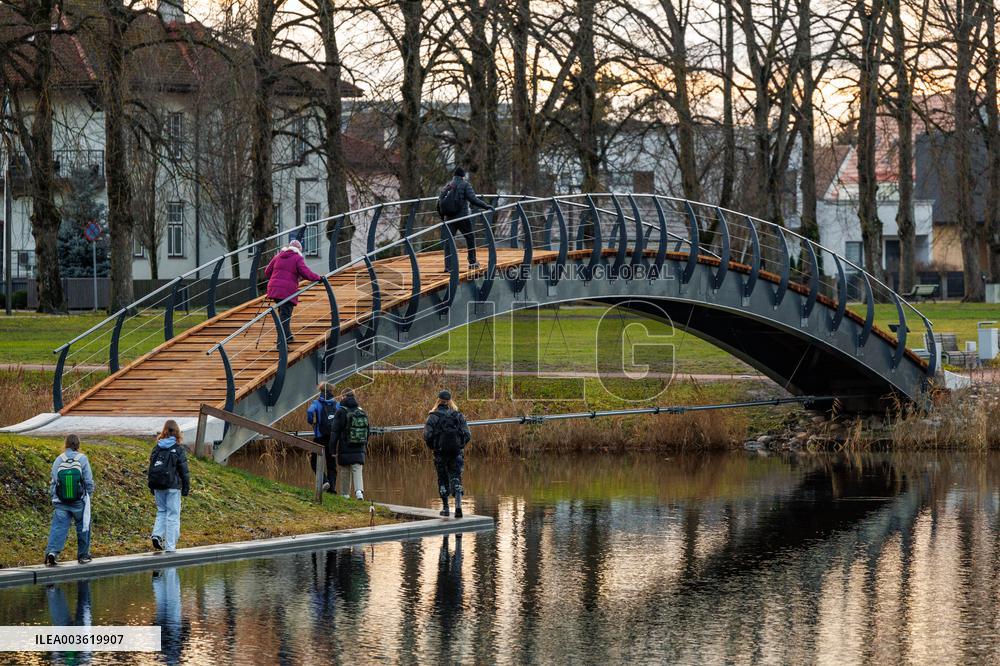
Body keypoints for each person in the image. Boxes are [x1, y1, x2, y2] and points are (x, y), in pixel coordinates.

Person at [45, 434, 95, 566]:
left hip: (61, 502)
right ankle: (83, 555)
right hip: (78, 501)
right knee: (83, 526)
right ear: (78, 445)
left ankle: (52, 553)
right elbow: (88, 481)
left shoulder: (59, 459)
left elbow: (54, 481)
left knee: (59, 527)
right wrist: (87, 496)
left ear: (65, 444)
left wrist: (54, 497)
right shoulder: (82, 459)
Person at [264, 238, 323, 344]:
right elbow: (305, 272)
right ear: (299, 249)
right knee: (285, 316)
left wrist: (276, 281)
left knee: (283, 313)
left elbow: (267, 271)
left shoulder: (278, 256)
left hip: (274, 289)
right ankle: (281, 341)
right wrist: (318, 278)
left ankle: (288, 336)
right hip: (287, 292)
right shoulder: (297, 258)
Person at [423, 390, 471, 518]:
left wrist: (434, 447)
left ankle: (445, 508)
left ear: (438, 401)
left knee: (442, 478)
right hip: (456, 453)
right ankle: (458, 506)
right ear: (450, 401)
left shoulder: (433, 416)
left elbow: (427, 436)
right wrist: (460, 446)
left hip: (440, 453)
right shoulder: (458, 415)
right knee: (456, 477)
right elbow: (467, 434)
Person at [148, 420, 191, 553]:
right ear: (177, 432)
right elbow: (184, 471)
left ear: (164, 431)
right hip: (172, 486)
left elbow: (151, 468)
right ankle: (170, 546)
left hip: (157, 485)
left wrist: (151, 486)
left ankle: (157, 534)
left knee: (161, 511)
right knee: (173, 514)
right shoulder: (178, 449)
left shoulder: (157, 448)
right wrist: (185, 487)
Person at [437, 167, 493, 270]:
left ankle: (448, 266)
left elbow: (439, 201)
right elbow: (473, 199)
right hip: (462, 217)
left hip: (449, 219)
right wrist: (485, 206)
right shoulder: (465, 185)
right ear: (463, 176)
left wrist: (443, 217)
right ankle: (472, 262)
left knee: (448, 241)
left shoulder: (448, 186)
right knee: (470, 238)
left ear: (454, 176)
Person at [329, 388, 369, 500]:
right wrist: (364, 445)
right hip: (360, 446)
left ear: (343, 397)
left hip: (345, 446)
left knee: (345, 468)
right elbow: (367, 430)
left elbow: (335, 432)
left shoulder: (341, 411)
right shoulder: (361, 410)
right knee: (357, 468)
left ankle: (345, 495)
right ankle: (359, 492)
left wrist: (332, 449)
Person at [307, 382, 339, 493]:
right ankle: (332, 489)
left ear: (320, 391)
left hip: (320, 437)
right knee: (331, 463)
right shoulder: (337, 404)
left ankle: (324, 481)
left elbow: (310, 411)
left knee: (314, 462)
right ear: (331, 391)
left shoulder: (316, 403)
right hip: (332, 438)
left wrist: (311, 421)